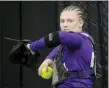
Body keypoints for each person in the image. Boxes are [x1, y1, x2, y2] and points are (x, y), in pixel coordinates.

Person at [26, 5, 95, 88]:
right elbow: (59, 48)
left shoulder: (79, 39)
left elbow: (60, 36)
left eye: (70, 21)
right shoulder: (69, 43)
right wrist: (48, 59)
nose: (65, 25)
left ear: (81, 23)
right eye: (62, 21)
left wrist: (31, 47)